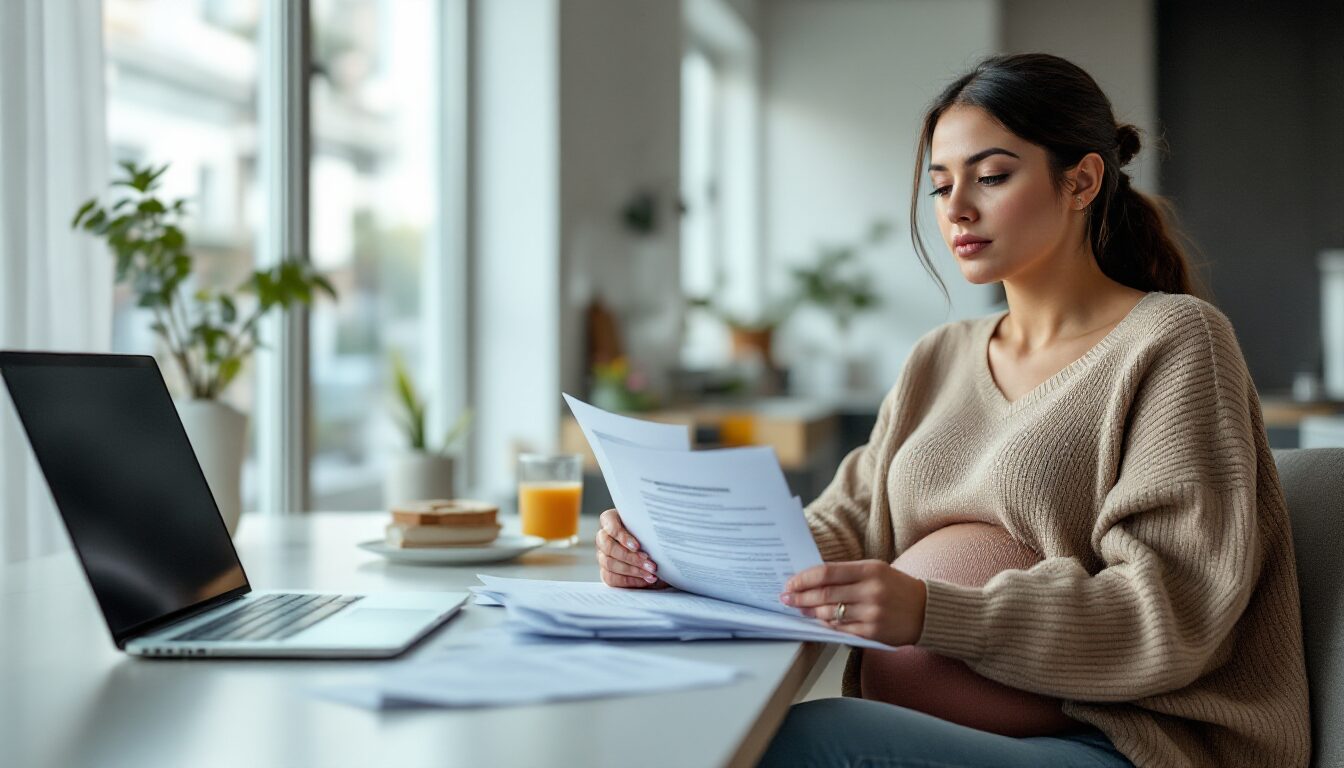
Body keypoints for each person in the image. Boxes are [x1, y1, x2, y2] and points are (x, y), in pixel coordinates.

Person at [594, 53, 1310, 767]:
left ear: (1083, 180)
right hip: (956, 733)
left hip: (1126, 741)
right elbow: (848, 521)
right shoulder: (939, 355)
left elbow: (1176, 609)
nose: (957, 208)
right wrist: (679, 552)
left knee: (792, 744)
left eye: (992, 176)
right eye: (940, 187)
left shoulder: (1173, 341)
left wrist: (935, 613)